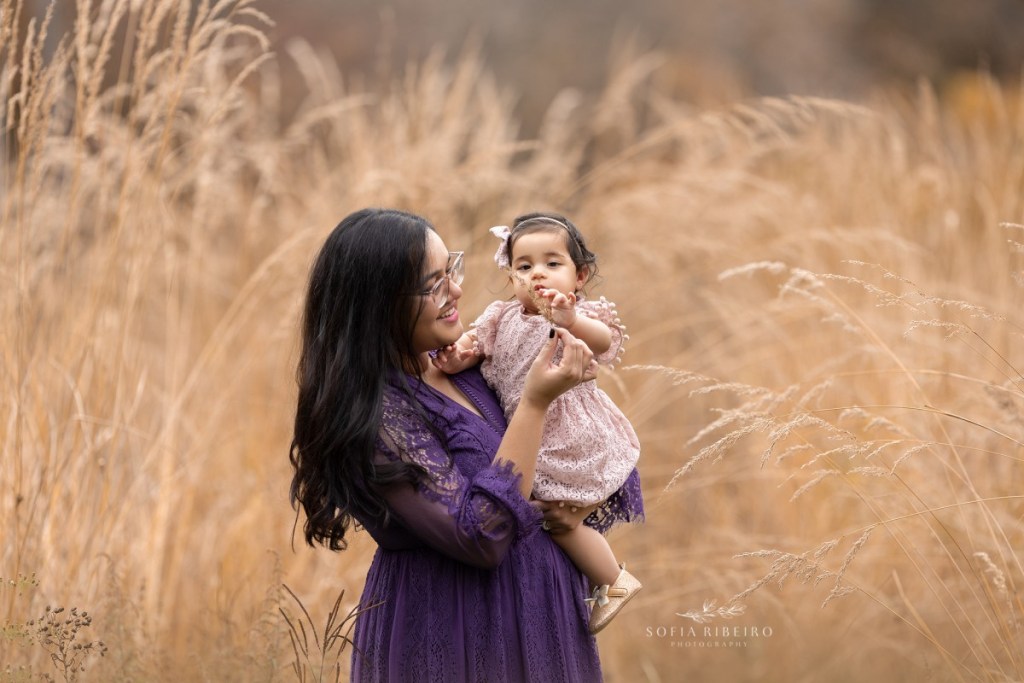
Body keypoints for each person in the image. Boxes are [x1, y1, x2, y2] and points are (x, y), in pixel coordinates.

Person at [288, 208, 643, 682]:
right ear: (378, 303)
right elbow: (481, 537)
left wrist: (576, 504)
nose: (456, 289)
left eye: (450, 269)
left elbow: (557, 455)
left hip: (546, 626)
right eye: (433, 284)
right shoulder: (379, 419)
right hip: (454, 638)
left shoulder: (465, 367)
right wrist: (535, 403)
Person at [432, 212, 644, 634]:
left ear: (579, 276)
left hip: (569, 435)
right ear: (511, 277)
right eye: (524, 267)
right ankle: (586, 581)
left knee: (557, 515)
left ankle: (613, 579)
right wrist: (461, 355)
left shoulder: (579, 315)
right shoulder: (501, 316)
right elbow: (475, 344)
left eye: (552, 264)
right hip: (529, 431)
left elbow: (602, 341)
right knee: (543, 512)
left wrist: (569, 320)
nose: (537, 276)